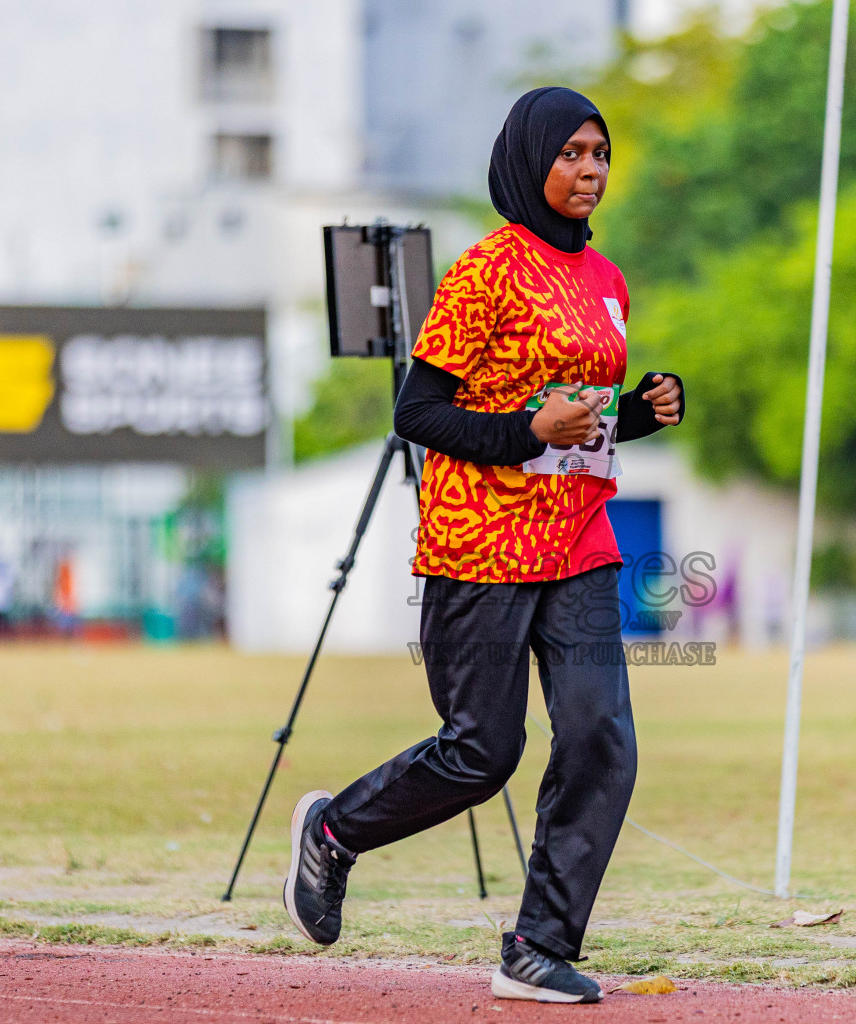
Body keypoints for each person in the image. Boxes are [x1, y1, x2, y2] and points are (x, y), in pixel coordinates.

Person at [283, 87, 684, 1005]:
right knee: (481, 752)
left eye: (601, 153)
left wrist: (645, 410)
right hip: (481, 546)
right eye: (572, 152)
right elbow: (416, 411)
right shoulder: (485, 271)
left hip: (580, 539)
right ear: (529, 160)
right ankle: (336, 831)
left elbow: (577, 416)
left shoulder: (609, 281)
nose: (590, 170)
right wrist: (523, 431)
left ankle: (538, 947)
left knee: (600, 739)